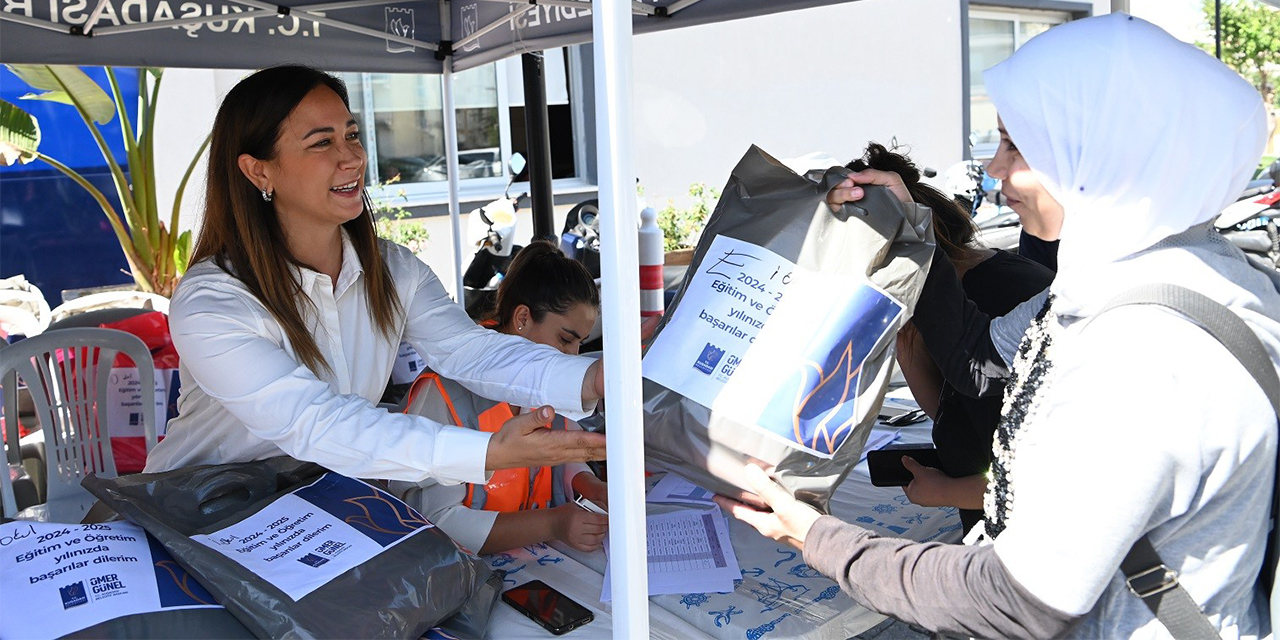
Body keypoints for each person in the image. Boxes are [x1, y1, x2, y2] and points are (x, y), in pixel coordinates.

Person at [721, 14, 1280, 638]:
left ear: (1100, 153)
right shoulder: (1149, 273)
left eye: (1017, 146)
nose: (993, 169)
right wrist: (913, 224)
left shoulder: (1144, 350)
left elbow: (1022, 598)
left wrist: (817, 537)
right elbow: (979, 361)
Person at [144, 65, 607, 490]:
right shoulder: (214, 300)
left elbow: (471, 351)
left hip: (306, 511)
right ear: (258, 170)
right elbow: (314, 422)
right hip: (198, 513)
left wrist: (592, 379)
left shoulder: (393, 271)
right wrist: (486, 453)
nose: (351, 158)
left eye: (352, 135)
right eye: (322, 143)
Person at [846, 144, 1053, 532]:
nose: (994, 168)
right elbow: (950, 409)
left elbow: (1048, 479)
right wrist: (906, 335)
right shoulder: (943, 307)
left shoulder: (1006, 297)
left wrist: (947, 492)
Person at [393, 242, 610, 553]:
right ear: (522, 318)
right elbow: (435, 519)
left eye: (580, 344)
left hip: (533, 564)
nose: (573, 356)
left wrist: (586, 484)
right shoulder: (442, 394)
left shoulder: (552, 380)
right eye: (565, 340)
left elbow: (562, 453)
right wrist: (553, 523)